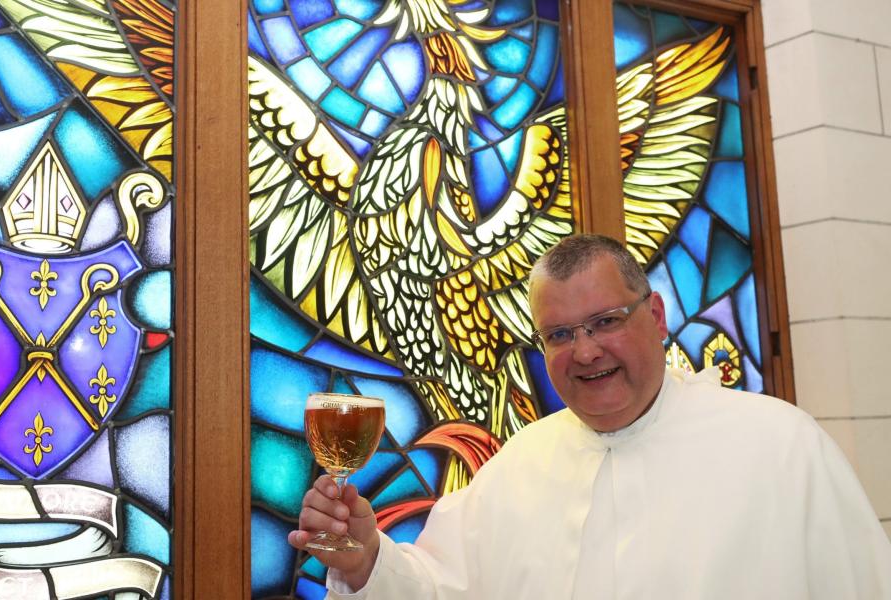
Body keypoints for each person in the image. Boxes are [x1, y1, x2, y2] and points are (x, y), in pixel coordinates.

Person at [289, 234, 891, 599]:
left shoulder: (780, 446)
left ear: (655, 317)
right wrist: (366, 559)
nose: (585, 351)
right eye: (559, 333)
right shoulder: (521, 464)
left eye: (606, 322)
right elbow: (442, 590)